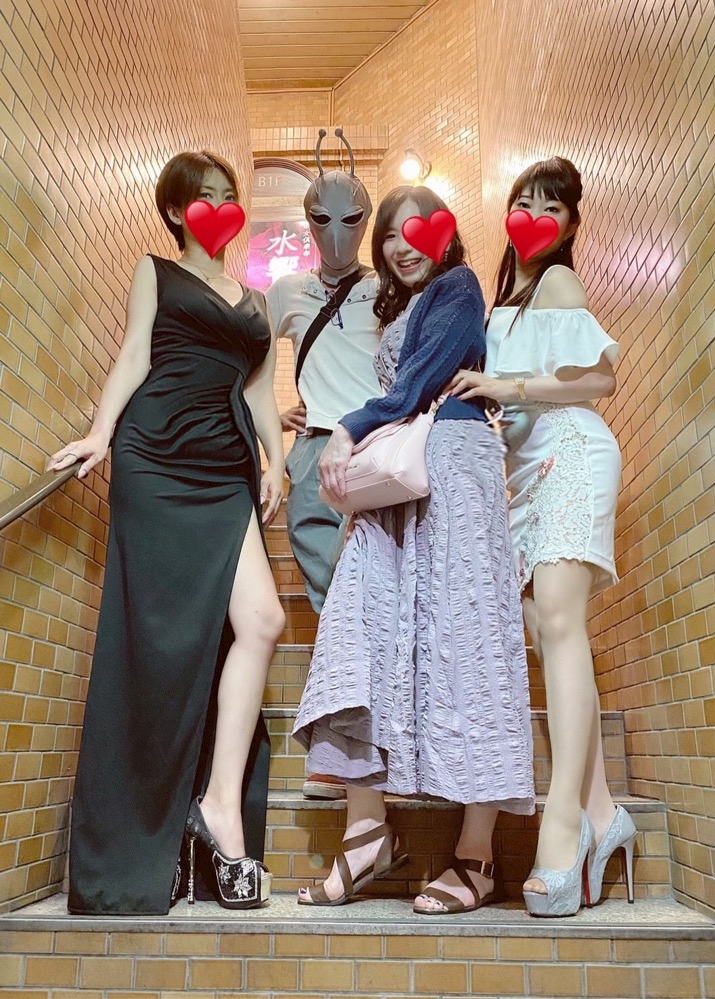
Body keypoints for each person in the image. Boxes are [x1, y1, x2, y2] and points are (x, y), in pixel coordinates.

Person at [48, 151, 286, 915]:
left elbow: (257, 387)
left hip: (225, 466)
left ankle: (217, 801)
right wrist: (100, 433)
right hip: (156, 453)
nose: (219, 205)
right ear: (179, 211)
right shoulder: (155, 270)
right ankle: (159, 821)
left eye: (228, 194)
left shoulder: (254, 300)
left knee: (262, 619)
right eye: (204, 196)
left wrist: (275, 460)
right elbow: (134, 353)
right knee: (159, 641)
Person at [292, 185, 534, 914]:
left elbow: (425, 377)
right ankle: (367, 831)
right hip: (402, 476)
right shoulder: (396, 306)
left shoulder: (458, 286)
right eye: (391, 235)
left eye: (416, 230)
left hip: (454, 467)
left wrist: (348, 426)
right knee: (357, 629)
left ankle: (476, 854)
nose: (402, 246)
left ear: (445, 235)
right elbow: (408, 385)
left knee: (467, 642)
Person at [450, 156, 635, 917]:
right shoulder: (510, 297)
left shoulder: (557, 281)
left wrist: (507, 386)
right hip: (526, 474)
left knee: (558, 626)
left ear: (569, 223)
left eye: (550, 206)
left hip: (571, 451)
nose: (534, 216)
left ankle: (562, 826)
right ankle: (602, 812)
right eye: (523, 203)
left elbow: (599, 379)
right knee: (541, 629)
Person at [266, 129, 382, 801]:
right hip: (313, 451)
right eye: (320, 218)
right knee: (331, 595)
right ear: (305, 221)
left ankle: (364, 750)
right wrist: (272, 432)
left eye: (351, 217)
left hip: (376, 449)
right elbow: (251, 371)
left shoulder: (387, 286)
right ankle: (344, 752)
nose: (336, 233)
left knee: (372, 595)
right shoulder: (285, 292)